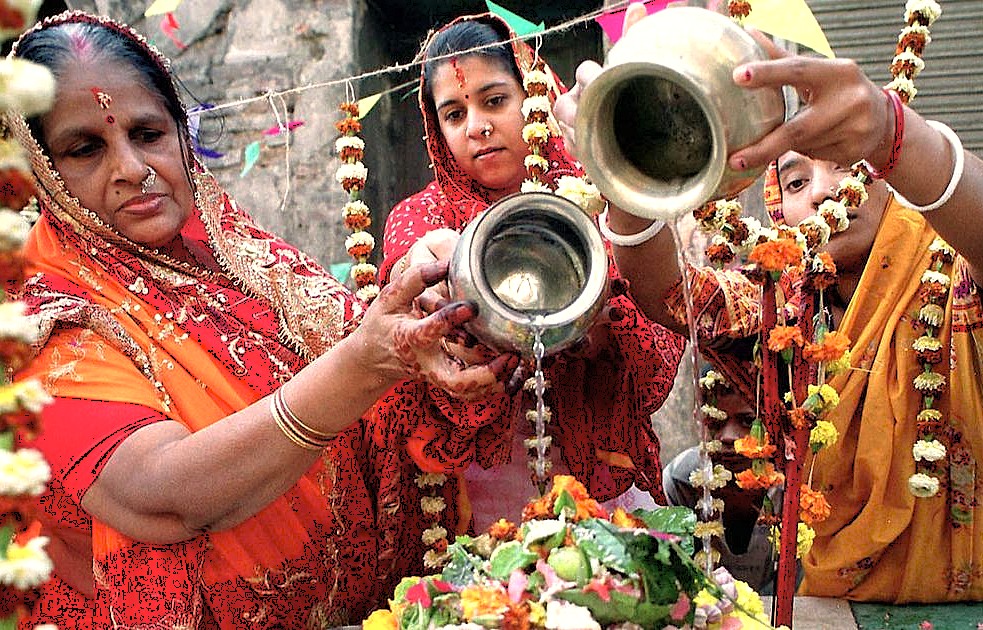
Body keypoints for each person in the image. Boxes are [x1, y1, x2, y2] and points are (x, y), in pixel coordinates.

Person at [8, 11, 518, 628]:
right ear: (40, 168)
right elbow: (157, 497)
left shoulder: (231, 249)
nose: (131, 169)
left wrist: (431, 319)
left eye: (148, 134)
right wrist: (368, 361)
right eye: (85, 148)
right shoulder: (37, 317)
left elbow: (362, 348)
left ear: (179, 131)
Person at [555, 3, 982, 603]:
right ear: (778, 206)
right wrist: (620, 167)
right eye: (799, 179)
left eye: (850, 163)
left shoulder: (954, 274)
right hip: (834, 605)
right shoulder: (779, 305)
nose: (828, 189)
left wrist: (894, 133)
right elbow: (668, 295)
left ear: (889, 174)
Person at [375, 12, 686, 551]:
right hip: (476, 501)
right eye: (454, 113)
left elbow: (659, 339)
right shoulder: (419, 218)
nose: (476, 126)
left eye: (494, 101)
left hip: (597, 490)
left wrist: (600, 325)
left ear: (534, 97)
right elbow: (412, 331)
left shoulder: (601, 201)